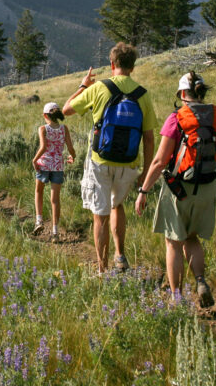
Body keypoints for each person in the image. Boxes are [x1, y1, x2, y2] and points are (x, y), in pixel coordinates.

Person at [135, 71, 216, 307]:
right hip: (208, 187)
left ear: (181, 93)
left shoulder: (177, 119)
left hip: (179, 189)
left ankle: (177, 298)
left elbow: (160, 161)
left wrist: (143, 191)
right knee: (192, 238)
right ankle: (200, 281)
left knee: (173, 242)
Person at [62, 42, 157, 274]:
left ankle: (102, 270)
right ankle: (120, 255)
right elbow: (149, 139)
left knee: (100, 216)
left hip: (100, 161)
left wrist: (83, 85)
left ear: (112, 64)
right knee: (118, 206)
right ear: (132, 67)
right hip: (129, 163)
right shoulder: (142, 95)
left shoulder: (99, 88)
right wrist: (146, 172)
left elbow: (66, 110)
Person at [32, 102, 76, 243]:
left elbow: (43, 147)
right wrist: (73, 156)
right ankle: (55, 232)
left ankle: (39, 221)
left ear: (45, 115)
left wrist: (34, 160)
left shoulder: (43, 129)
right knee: (55, 200)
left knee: (39, 191)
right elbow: (70, 147)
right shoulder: (64, 128)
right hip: (58, 166)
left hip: (44, 164)